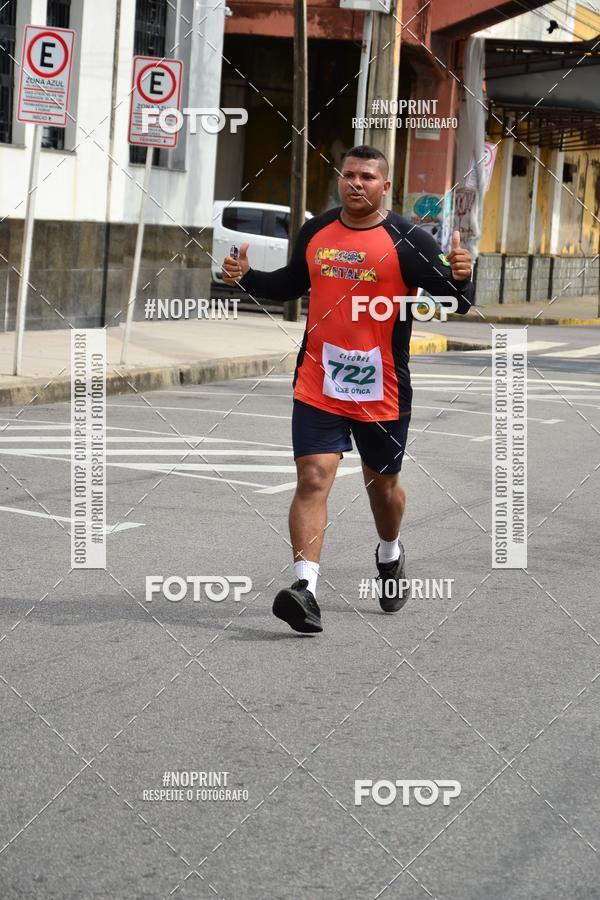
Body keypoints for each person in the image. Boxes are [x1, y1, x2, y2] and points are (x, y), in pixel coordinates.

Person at [221, 144, 474, 634]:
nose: (356, 183)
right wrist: (248, 278)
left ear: (385, 187)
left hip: (382, 389)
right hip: (318, 381)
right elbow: (293, 283)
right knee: (313, 477)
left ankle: (390, 553)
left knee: (383, 487)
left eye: (367, 177)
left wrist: (463, 276)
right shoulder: (317, 230)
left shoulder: (408, 239)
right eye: (349, 175)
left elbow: (456, 301)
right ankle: (305, 589)